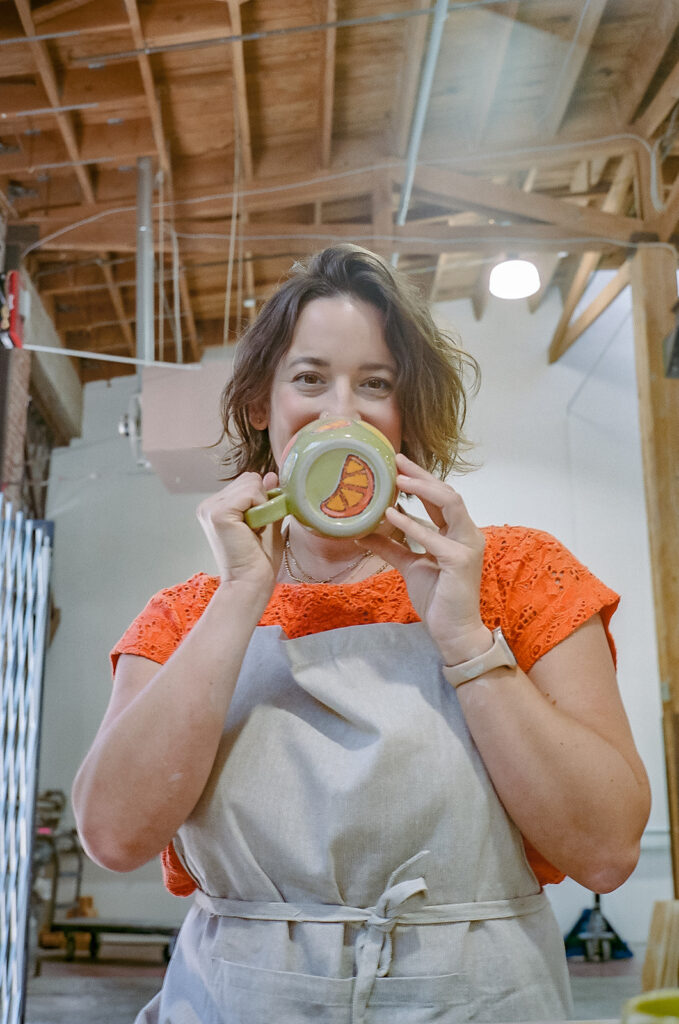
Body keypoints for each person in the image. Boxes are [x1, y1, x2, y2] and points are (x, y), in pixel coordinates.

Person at [72, 244, 650, 1024]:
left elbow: (607, 851)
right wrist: (242, 593)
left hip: (475, 1001)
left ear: (404, 414)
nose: (340, 414)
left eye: (375, 384)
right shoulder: (185, 614)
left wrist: (465, 642)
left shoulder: (513, 573)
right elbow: (113, 835)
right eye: (309, 379)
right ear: (259, 406)